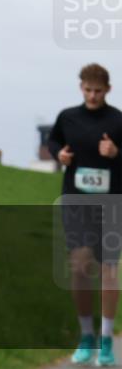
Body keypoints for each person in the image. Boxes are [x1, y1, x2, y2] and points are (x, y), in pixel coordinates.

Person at [47, 63, 122, 366]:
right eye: (88, 90)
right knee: (79, 265)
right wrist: (59, 155)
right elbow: (53, 141)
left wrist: (116, 154)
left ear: (108, 90)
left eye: (98, 91)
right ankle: (86, 335)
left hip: (111, 202)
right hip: (76, 201)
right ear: (81, 87)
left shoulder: (118, 121)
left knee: (107, 270)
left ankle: (106, 339)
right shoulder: (68, 117)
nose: (92, 96)